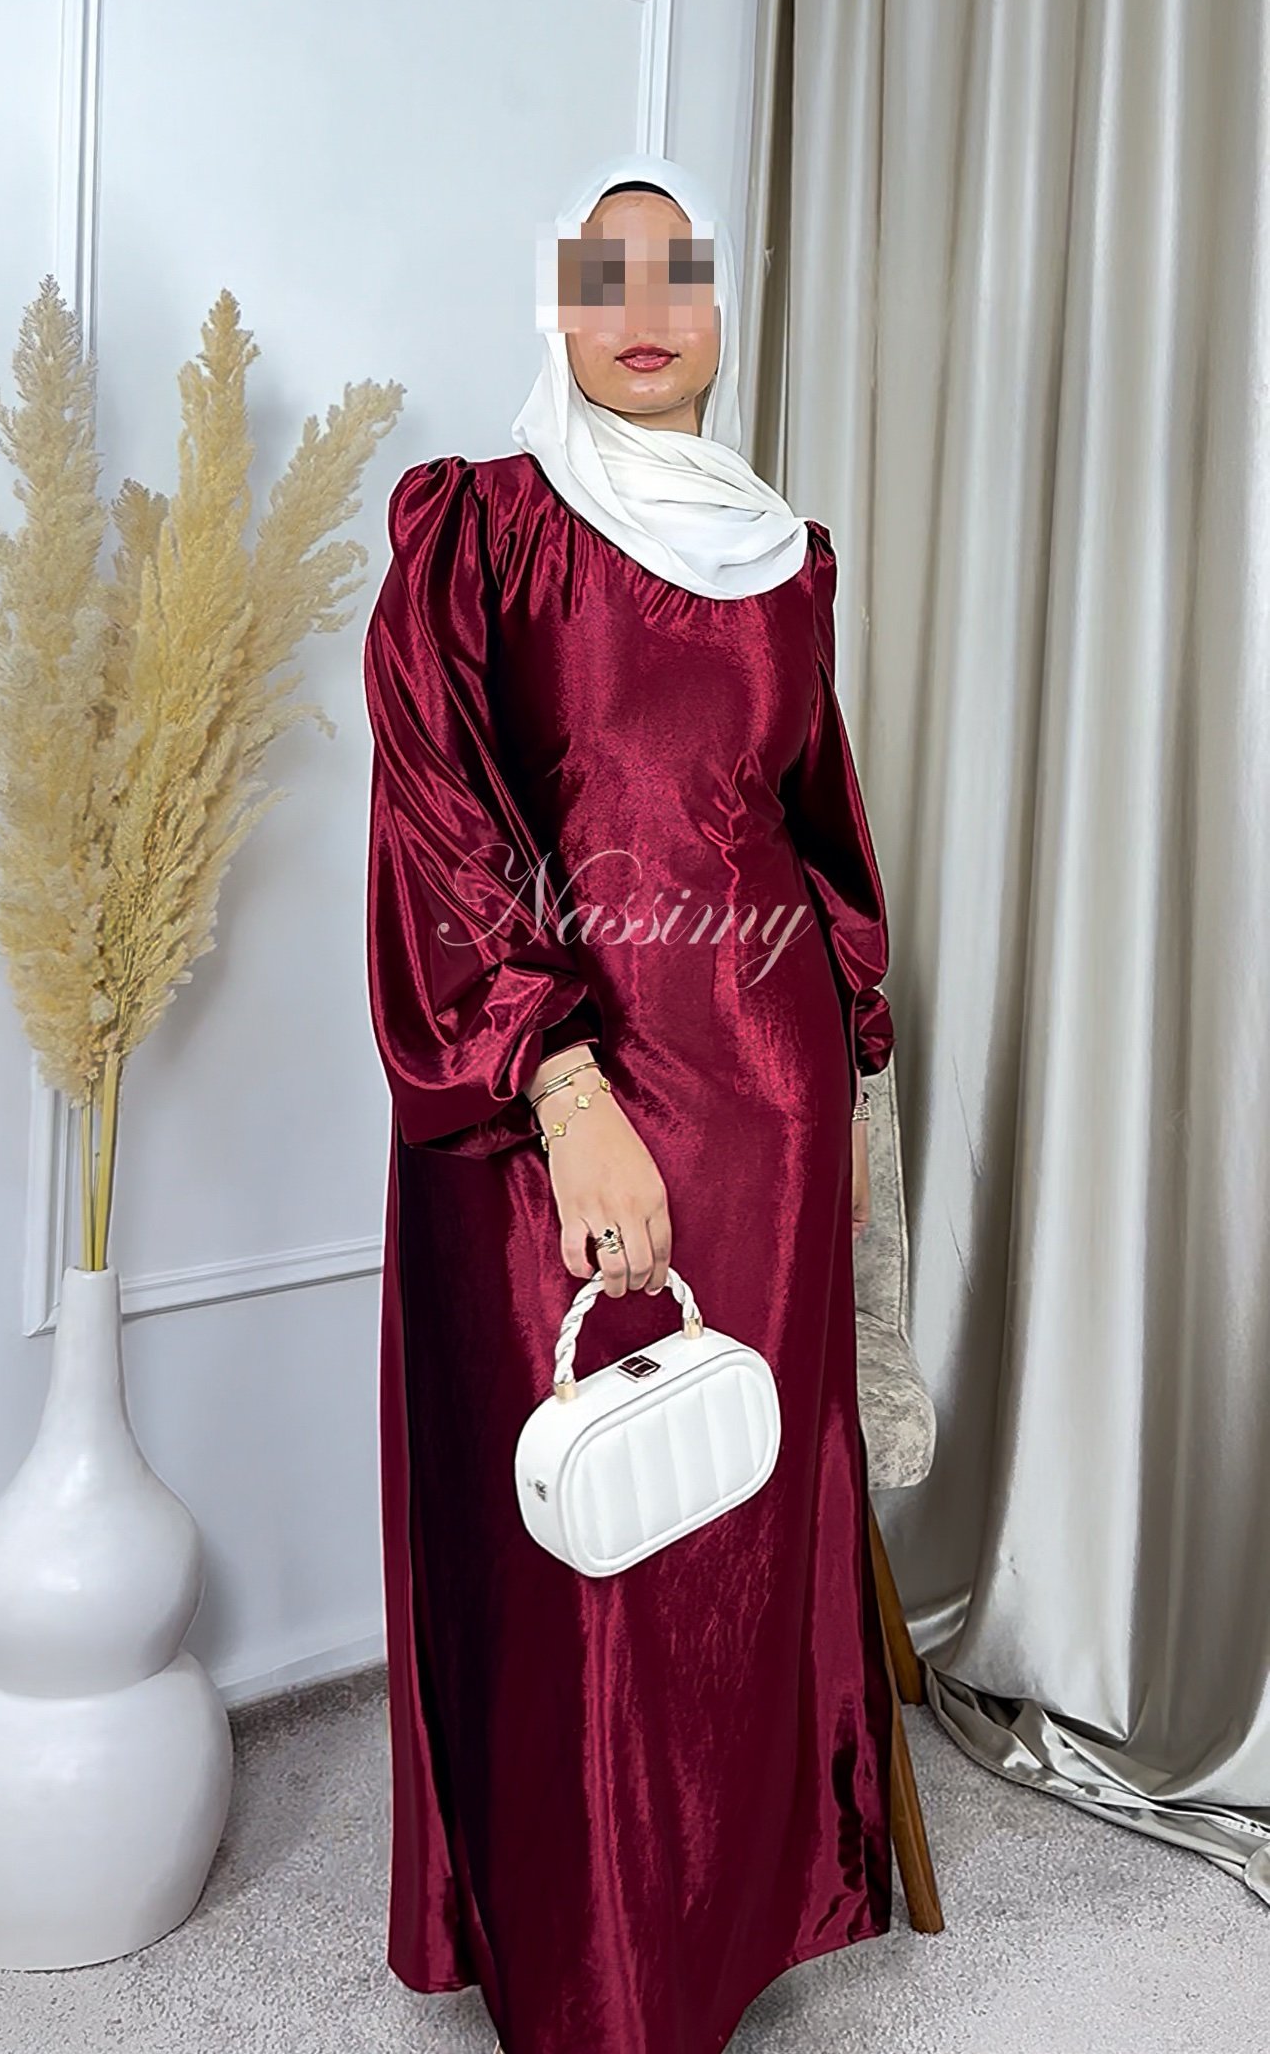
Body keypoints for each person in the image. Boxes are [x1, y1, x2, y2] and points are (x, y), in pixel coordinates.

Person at [362, 151, 896, 2054]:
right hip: (551, 1100)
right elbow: (438, 819)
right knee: (581, 1532)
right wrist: (564, 1090)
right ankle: (598, 1990)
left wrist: (846, 1055)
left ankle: (724, 1932)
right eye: (605, 271)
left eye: (681, 271)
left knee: (732, 1515)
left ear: (722, 313)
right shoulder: (481, 525)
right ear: (556, 304)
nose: (644, 306)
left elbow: (813, 828)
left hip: (770, 1121)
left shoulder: (780, 556)